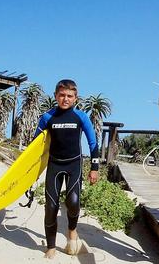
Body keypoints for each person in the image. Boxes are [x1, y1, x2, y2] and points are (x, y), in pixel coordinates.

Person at [34, 79, 100, 258]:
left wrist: (94, 168)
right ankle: (51, 247)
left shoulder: (81, 117)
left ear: (75, 98)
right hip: (54, 165)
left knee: (73, 201)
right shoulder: (47, 117)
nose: (65, 99)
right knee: (51, 207)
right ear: (56, 95)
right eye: (62, 95)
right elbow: (35, 145)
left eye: (69, 96)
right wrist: (29, 173)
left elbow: (93, 143)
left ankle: (72, 231)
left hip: (74, 164)